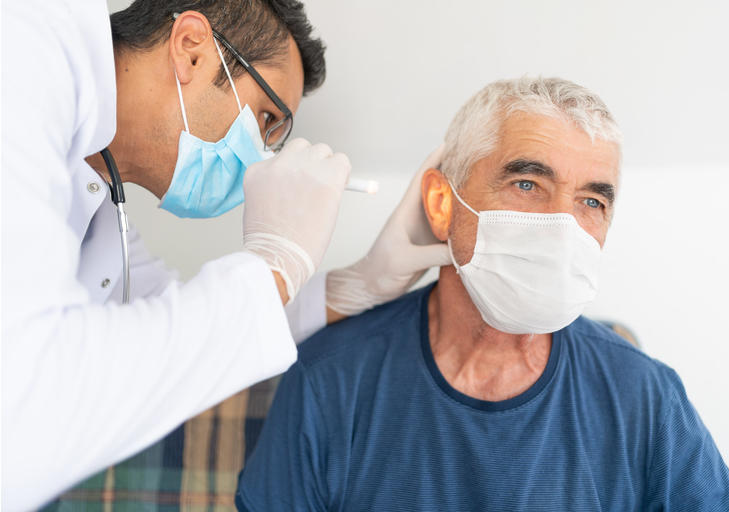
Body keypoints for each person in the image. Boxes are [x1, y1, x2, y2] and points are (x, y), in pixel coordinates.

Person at [0, 0, 448, 509]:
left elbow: (176, 319)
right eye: (265, 118)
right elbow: (18, 417)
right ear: (191, 49)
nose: (261, 154)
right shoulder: (22, 55)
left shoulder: (98, 198)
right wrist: (274, 264)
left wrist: (354, 286)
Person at [236, 77, 729, 511]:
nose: (562, 225)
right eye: (527, 184)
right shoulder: (332, 381)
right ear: (443, 203)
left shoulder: (643, 396)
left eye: (592, 200)